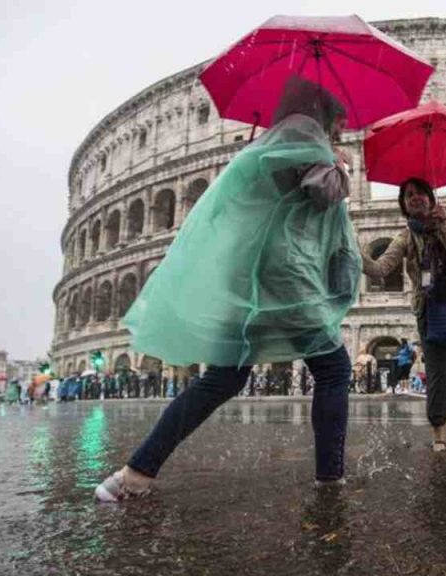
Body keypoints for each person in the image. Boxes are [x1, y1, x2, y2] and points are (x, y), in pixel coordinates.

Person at [94, 77, 361, 502]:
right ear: (320, 108)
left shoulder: (270, 140)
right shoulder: (304, 133)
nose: (344, 123)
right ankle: (331, 479)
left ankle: (133, 474)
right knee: (333, 370)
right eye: (339, 114)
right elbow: (321, 193)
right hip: (284, 275)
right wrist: (338, 165)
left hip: (247, 275)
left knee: (223, 378)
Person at [362, 178, 446, 452]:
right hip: (431, 311)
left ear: (430, 198)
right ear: (404, 205)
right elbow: (381, 268)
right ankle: (438, 435)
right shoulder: (405, 237)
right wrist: (354, 254)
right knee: (438, 373)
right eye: (408, 196)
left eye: (419, 193)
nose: (414, 198)